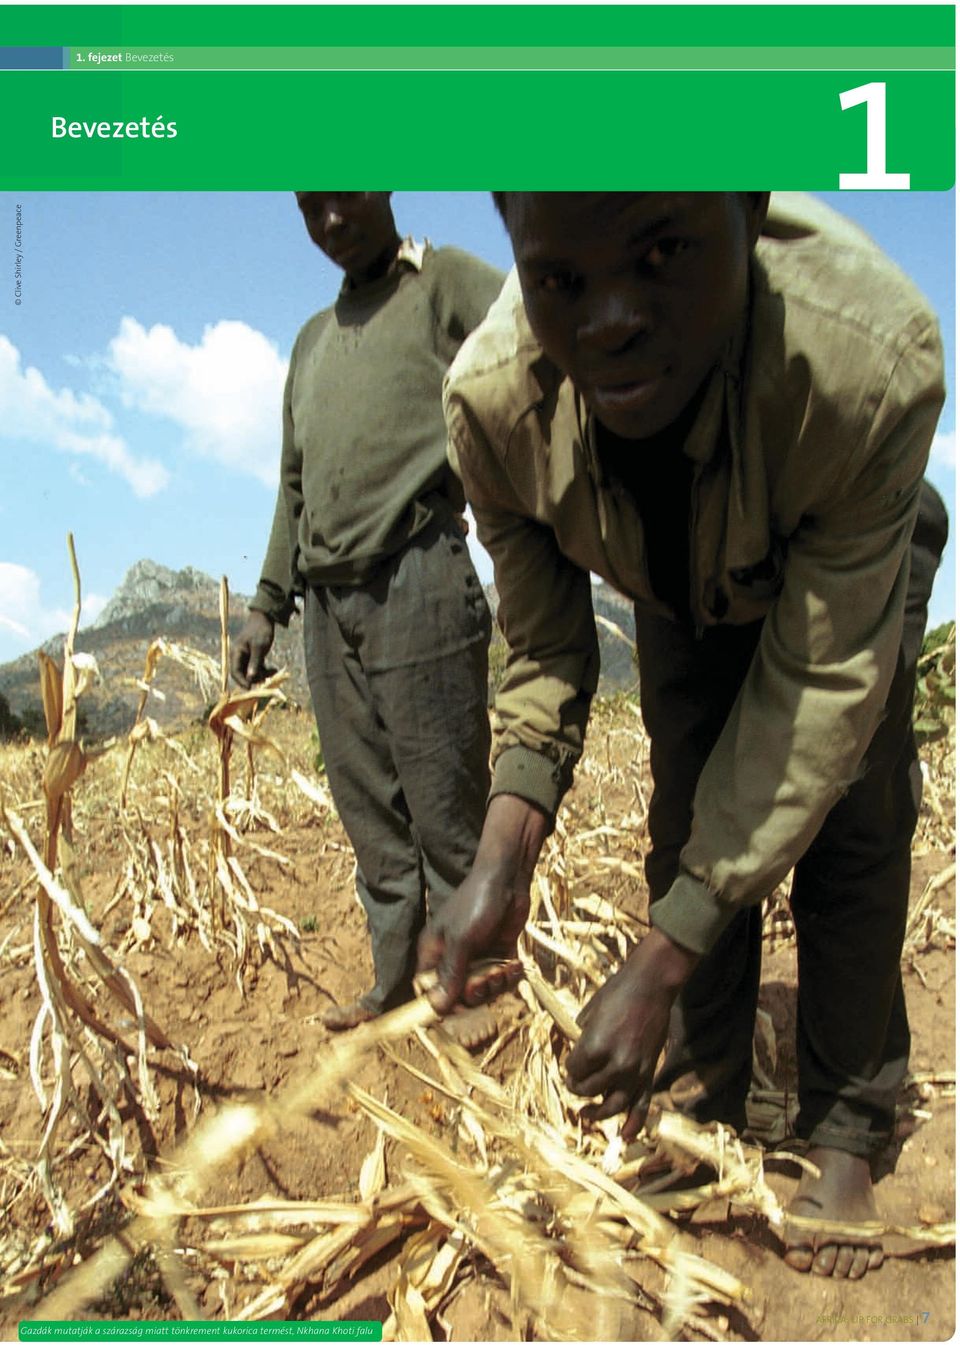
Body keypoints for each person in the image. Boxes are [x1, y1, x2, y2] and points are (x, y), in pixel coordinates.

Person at [418, 192, 948, 1279]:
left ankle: (847, 1116)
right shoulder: (493, 408)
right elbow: (548, 652)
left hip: (837, 558)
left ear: (746, 214)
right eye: (561, 282)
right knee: (689, 809)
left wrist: (658, 960)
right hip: (677, 580)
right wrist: (501, 861)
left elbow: (819, 692)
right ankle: (714, 1091)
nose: (611, 316)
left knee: (851, 820)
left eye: (663, 255)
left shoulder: (863, 367)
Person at [232, 192, 503, 1032]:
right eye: (309, 212)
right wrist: (266, 604)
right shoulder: (311, 341)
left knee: (446, 806)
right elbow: (293, 484)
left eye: (342, 197)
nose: (329, 224)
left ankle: (476, 989)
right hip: (328, 605)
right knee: (371, 815)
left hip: (417, 573)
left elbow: (537, 343)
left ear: (383, 184)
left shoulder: (445, 284)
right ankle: (395, 983)